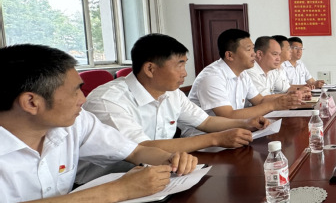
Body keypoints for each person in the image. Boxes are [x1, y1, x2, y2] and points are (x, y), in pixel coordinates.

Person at [0, 44, 197, 203]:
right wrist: (117, 190)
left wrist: (170, 158)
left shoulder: (75, 122)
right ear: (31, 102)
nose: (83, 99)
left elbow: (135, 151)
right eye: (75, 92)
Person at [84, 33, 268, 153]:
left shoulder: (171, 93)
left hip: (154, 172)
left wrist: (246, 123)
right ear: (150, 69)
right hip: (103, 182)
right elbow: (142, 149)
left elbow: (206, 121)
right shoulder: (108, 100)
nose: (185, 73)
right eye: (179, 65)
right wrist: (216, 139)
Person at [188, 29, 301, 122]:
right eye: (248, 50)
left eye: (253, 48)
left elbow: (260, 100)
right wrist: (273, 105)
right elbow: (228, 116)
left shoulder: (243, 74)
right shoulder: (212, 77)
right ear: (230, 55)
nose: (254, 54)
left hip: (234, 129)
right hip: (204, 136)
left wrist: (288, 98)